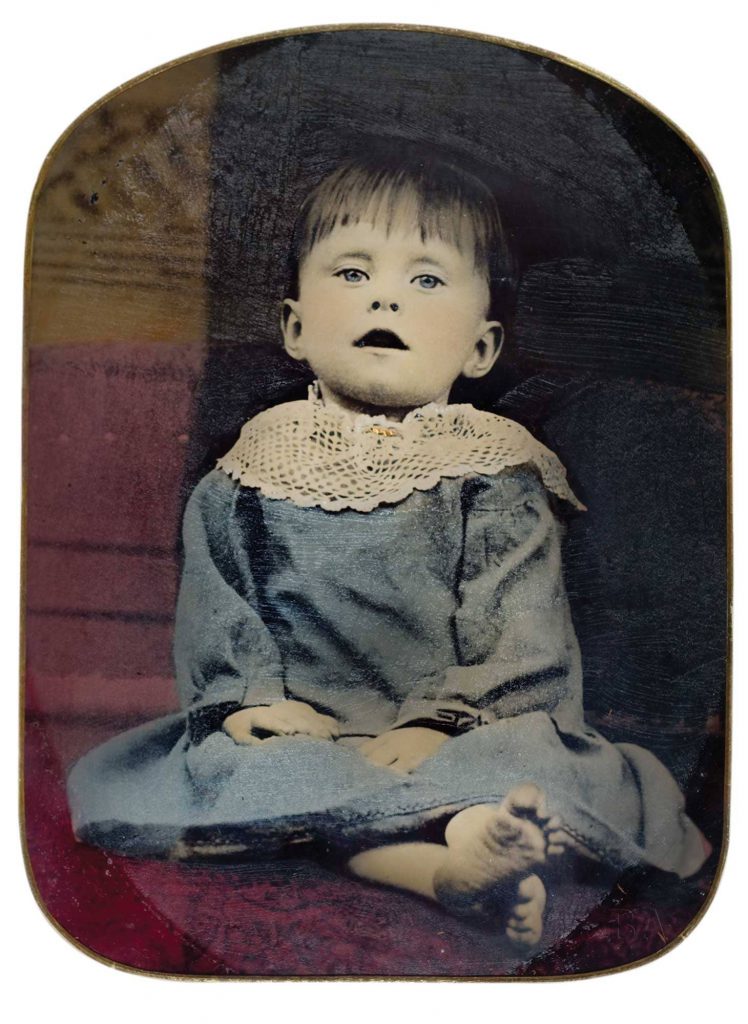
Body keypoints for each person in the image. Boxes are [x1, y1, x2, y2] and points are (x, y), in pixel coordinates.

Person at [67, 152, 708, 950]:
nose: (385, 296)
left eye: (427, 280)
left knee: (519, 767)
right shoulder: (249, 471)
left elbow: (518, 628)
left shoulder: (491, 471)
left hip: (462, 729)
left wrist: (443, 725)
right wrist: (251, 702)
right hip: (309, 731)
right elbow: (221, 603)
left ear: (481, 346)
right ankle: (448, 861)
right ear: (296, 327)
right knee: (257, 768)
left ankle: (477, 826)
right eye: (352, 272)